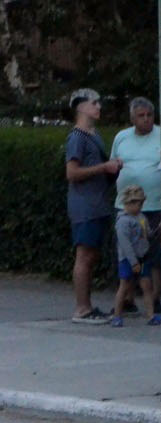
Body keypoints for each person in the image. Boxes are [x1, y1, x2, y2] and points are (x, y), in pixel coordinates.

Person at [65, 88, 121, 323]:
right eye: (94, 103)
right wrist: (103, 168)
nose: (99, 107)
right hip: (84, 205)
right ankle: (82, 309)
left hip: (98, 203)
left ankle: (88, 306)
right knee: (84, 255)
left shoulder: (94, 135)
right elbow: (72, 172)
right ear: (81, 107)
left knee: (92, 255)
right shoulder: (76, 137)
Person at [112, 97, 161, 239]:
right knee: (127, 253)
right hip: (125, 207)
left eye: (149, 115)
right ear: (132, 118)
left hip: (155, 207)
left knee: (152, 254)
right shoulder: (121, 137)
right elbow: (112, 167)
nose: (146, 119)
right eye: (141, 115)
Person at [109, 184, 158, 326]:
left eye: (141, 204)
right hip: (128, 259)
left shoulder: (141, 217)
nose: (140, 207)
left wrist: (155, 231)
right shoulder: (123, 222)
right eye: (137, 204)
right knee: (124, 286)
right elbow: (125, 245)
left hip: (143, 256)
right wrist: (133, 262)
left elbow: (147, 234)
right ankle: (117, 316)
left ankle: (151, 315)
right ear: (128, 203)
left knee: (147, 285)